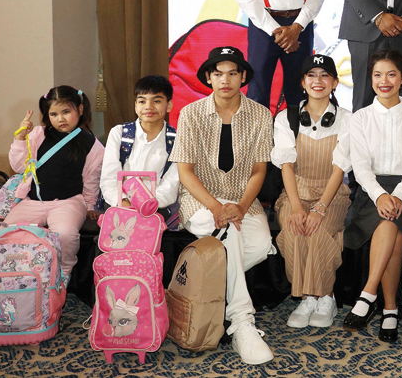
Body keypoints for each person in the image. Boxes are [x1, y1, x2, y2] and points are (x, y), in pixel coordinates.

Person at [169, 46, 277, 365]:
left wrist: (241, 205)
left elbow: (259, 170)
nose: (225, 80)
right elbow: (184, 172)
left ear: (243, 77)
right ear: (208, 78)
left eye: (232, 73)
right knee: (228, 233)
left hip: (244, 203)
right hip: (201, 202)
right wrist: (216, 206)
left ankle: (210, 291)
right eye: (218, 74)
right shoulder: (191, 113)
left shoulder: (260, 114)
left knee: (260, 244)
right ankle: (242, 321)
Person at [340, 50, 402, 343]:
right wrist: (379, 195)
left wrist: (399, 195)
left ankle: (369, 295)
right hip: (369, 191)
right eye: (377, 75)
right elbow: (361, 167)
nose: (384, 81)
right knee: (389, 223)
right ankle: (389, 308)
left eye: (391, 74)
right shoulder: (360, 118)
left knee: (391, 221)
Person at [271, 54, 351, 329]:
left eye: (324, 75)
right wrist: (296, 207)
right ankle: (307, 297)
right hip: (295, 192)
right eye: (311, 75)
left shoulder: (347, 119)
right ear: (303, 82)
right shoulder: (287, 117)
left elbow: (340, 168)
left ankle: (324, 296)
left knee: (317, 230)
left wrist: (319, 208)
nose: (318, 81)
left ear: (335, 83)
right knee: (294, 229)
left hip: (332, 195)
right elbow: (286, 165)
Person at [5, 86, 104, 279]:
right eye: (54, 114)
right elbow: (18, 166)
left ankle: (63, 273)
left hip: (68, 202)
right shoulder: (37, 135)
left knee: (66, 235)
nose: (61, 119)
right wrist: (20, 138)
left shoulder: (92, 144)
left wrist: (90, 204)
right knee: (7, 232)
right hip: (33, 201)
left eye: (66, 112)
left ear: (80, 110)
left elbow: (92, 178)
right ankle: (14, 275)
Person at [99, 75, 179, 214]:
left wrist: (146, 205)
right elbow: (109, 178)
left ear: (169, 105)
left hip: (156, 207)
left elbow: (171, 185)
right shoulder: (120, 133)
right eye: (142, 101)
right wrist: (123, 202)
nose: (149, 107)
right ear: (136, 105)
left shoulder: (177, 139)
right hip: (120, 203)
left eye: (157, 101)